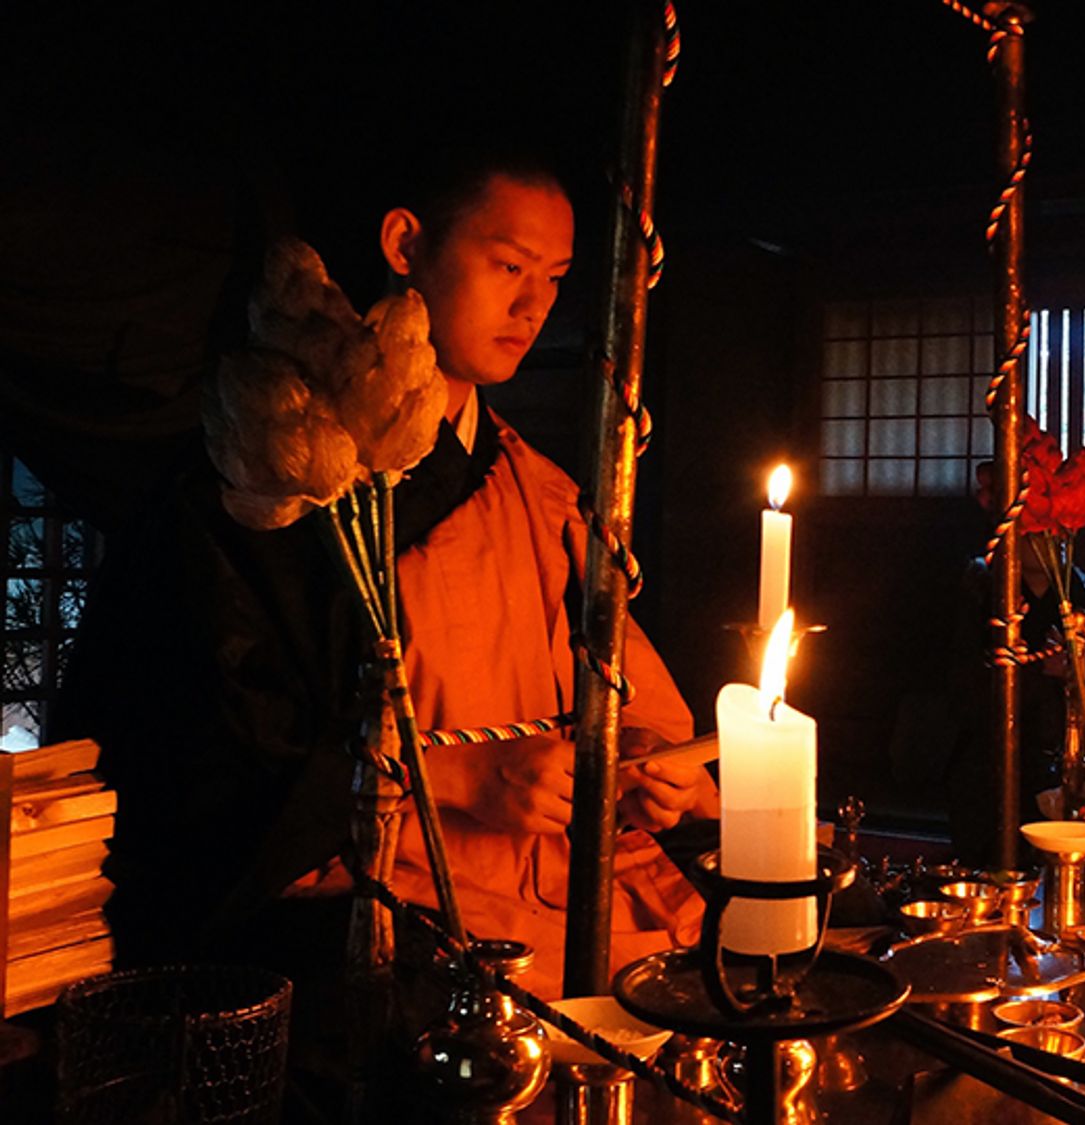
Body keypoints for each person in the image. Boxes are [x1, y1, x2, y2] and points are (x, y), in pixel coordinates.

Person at [59, 148, 716, 1002]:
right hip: (375, 893)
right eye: (509, 265)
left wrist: (639, 770)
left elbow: (621, 695)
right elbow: (210, 764)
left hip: (551, 879)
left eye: (554, 277)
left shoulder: (538, 487)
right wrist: (460, 775)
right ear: (406, 244)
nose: (534, 305)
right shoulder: (280, 479)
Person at [940, 462, 1085, 868]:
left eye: (1052, 531)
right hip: (992, 770)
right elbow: (959, 698)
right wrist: (1015, 668)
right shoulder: (981, 598)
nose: (1042, 540)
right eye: (1031, 530)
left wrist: (1072, 678)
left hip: (1070, 770)